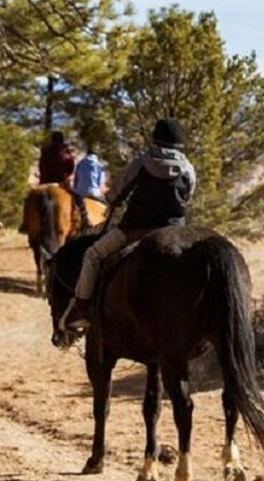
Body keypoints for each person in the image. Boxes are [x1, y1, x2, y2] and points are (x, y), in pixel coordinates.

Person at [61, 118, 196, 334]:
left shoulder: (141, 163)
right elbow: (187, 198)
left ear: (156, 139)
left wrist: (114, 201)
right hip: (173, 232)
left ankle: (80, 310)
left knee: (93, 255)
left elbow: (115, 195)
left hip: (134, 230)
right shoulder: (188, 168)